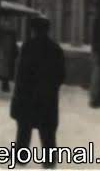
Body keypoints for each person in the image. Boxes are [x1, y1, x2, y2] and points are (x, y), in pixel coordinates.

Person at [10, 16, 66, 169]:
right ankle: (49, 164)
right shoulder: (56, 50)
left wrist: (16, 100)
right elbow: (61, 77)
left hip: (27, 99)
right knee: (48, 134)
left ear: (33, 30)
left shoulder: (27, 47)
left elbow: (20, 76)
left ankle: (20, 162)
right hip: (48, 101)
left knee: (23, 133)